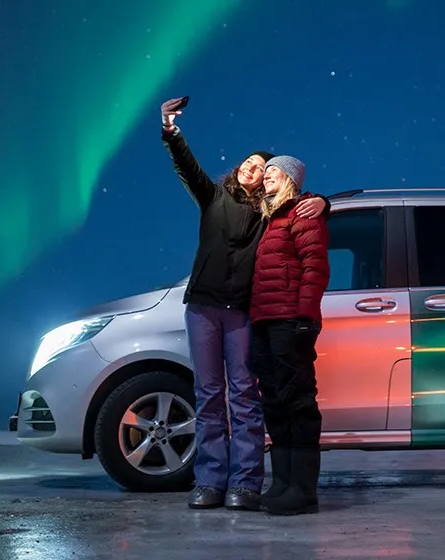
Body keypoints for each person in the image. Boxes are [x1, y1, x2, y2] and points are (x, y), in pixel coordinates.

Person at [159, 96, 328, 511]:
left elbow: (302, 213)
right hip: (202, 307)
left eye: (264, 167)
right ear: (240, 169)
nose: (254, 168)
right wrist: (171, 130)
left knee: (244, 396)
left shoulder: (268, 213)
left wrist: (325, 200)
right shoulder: (213, 197)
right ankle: (210, 481)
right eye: (250, 163)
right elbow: (186, 166)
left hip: (240, 312)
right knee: (208, 394)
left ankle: (247, 484)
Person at [247, 154, 330, 516]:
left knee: (297, 400)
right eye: (264, 173)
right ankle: (282, 482)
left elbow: (315, 268)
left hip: (288, 321)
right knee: (275, 402)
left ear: (291, 178)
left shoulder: (303, 214)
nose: (266, 177)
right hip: (265, 321)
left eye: (272, 172)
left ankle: (303, 491)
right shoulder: (270, 219)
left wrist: (306, 317)